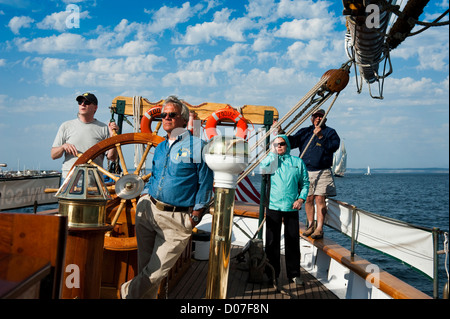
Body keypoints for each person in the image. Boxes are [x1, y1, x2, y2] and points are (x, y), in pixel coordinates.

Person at [121, 95, 214, 299]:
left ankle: (126, 292)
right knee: (145, 270)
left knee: (153, 274)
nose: (166, 118)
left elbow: (206, 183)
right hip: (148, 211)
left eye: (172, 114)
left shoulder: (198, 146)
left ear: (182, 119)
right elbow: (155, 175)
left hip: (177, 219)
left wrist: (196, 216)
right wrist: (145, 196)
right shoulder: (161, 147)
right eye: (163, 115)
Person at [260, 134, 309, 284]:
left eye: (281, 144)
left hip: (291, 206)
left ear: (287, 145)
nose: (279, 146)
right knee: (271, 242)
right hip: (274, 205)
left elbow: (305, 183)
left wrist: (301, 199)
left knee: (292, 241)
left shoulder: (297, 162)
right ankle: (271, 274)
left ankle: (294, 274)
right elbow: (263, 168)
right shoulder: (271, 161)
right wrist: (272, 155)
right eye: (276, 144)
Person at [288, 109, 340, 239]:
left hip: (322, 171)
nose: (318, 118)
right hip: (306, 171)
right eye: (316, 116)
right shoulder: (305, 132)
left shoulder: (330, 132)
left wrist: (321, 137)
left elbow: (334, 147)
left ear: (325, 119)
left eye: (321, 117)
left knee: (319, 199)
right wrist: (281, 132)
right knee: (308, 199)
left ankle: (319, 228)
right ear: (311, 118)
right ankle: (310, 225)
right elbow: (292, 142)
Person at [51, 92, 118, 179]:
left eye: (87, 102)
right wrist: (63, 147)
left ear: (95, 107)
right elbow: (53, 155)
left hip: (94, 181)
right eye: (80, 102)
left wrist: (114, 137)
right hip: (69, 180)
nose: (82, 104)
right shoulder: (66, 126)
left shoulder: (104, 128)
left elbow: (112, 158)